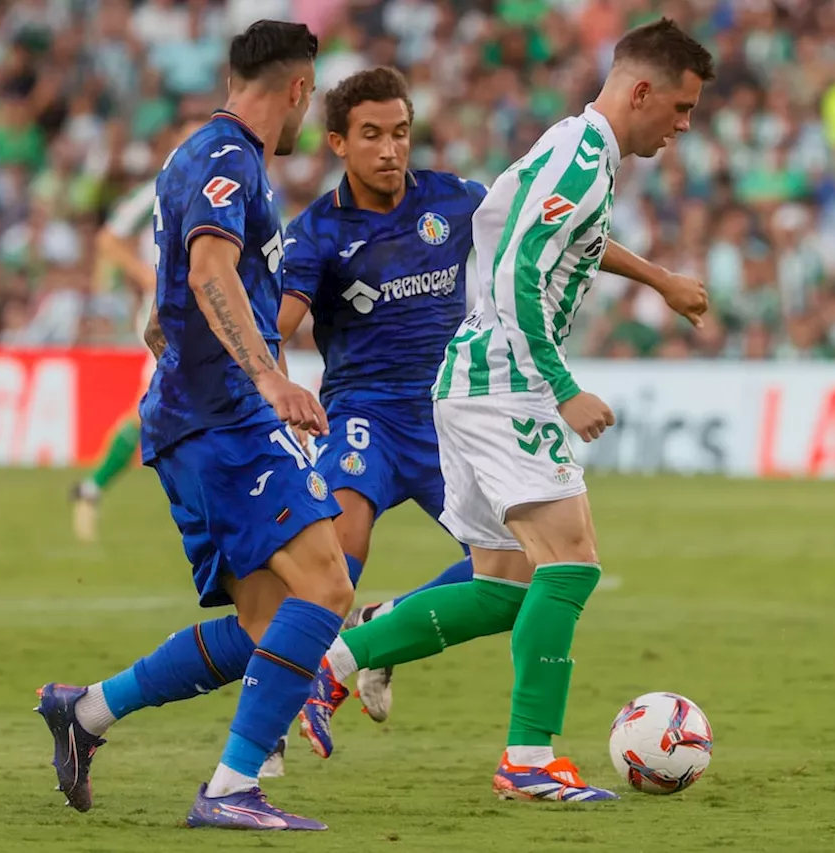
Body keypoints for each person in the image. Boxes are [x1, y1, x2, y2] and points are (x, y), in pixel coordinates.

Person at [300, 18, 714, 801]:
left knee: (506, 582)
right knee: (572, 565)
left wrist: (659, 277)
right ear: (642, 91)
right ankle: (529, 760)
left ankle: (336, 662)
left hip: (473, 379)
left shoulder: (572, 150)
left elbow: (514, 231)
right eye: (682, 107)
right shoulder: (583, 161)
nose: (684, 125)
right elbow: (521, 268)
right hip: (507, 383)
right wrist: (563, 387)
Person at [35, 20, 352, 830]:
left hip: (191, 419)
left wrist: (170, 321)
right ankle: (230, 788)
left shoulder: (193, 152)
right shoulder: (227, 158)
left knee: (263, 626)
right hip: (224, 419)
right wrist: (270, 375)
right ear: (299, 89)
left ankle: (88, 713)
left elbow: (187, 283)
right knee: (325, 585)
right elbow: (211, 267)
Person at [71, 114, 205, 543]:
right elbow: (108, 240)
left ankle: (93, 488)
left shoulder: (225, 190)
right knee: (161, 407)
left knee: (163, 407)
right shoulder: (156, 189)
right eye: (187, 138)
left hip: (208, 311)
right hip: (165, 315)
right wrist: (149, 278)